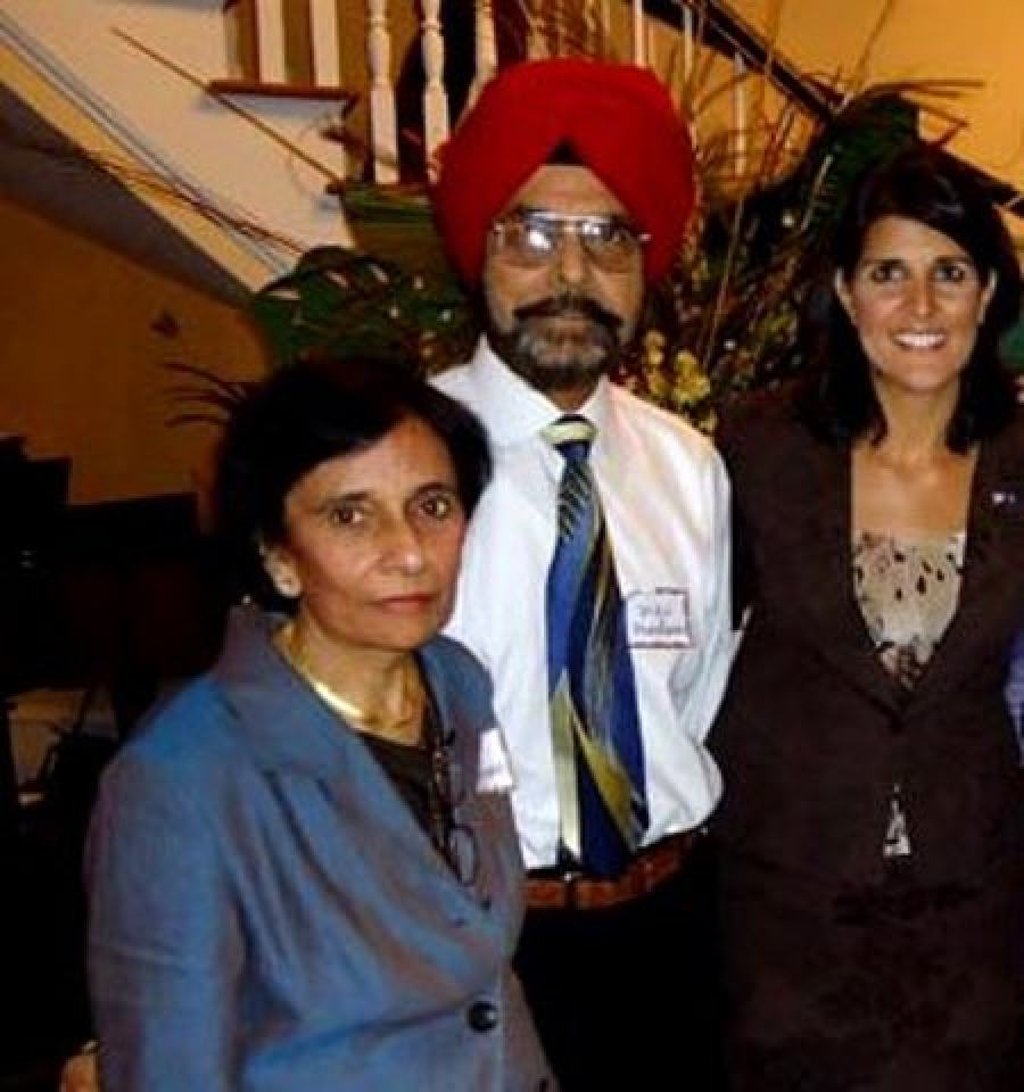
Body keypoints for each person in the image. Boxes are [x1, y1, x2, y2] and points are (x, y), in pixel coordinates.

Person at [82, 359, 556, 1091]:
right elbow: (169, 1068)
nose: (407, 551)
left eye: (433, 505)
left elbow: (477, 965)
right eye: (350, 515)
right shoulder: (179, 779)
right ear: (278, 556)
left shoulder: (459, 682)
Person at [431, 58, 733, 1089]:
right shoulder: (396, 461)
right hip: (479, 938)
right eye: (532, 231)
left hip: (672, 929)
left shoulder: (689, 467)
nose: (571, 273)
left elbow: (693, 694)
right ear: (479, 247)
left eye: (609, 235)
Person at [713, 143, 1024, 1088]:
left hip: (974, 912)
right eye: (890, 273)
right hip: (790, 907)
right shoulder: (756, 451)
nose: (921, 309)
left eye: (950, 274)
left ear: (988, 298)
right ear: (846, 294)